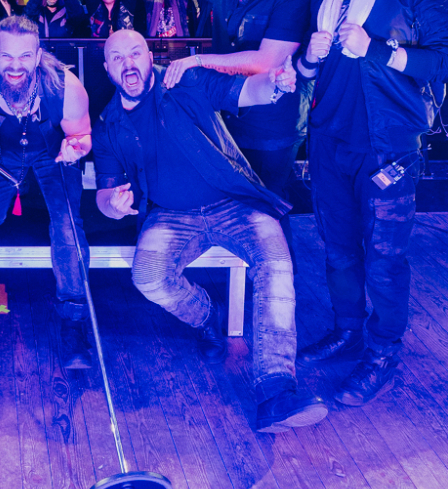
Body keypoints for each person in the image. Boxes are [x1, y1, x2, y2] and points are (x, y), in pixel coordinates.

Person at [93, 30, 323, 431]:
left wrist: (275, 83)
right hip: (170, 215)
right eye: (117, 58)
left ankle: (276, 390)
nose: (128, 63)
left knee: (275, 262)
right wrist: (112, 205)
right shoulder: (108, 124)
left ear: (149, 55)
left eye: (135, 53)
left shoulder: (184, 80)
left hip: (233, 202)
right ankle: (206, 315)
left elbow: (247, 91)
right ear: (107, 68)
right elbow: (104, 194)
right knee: (148, 276)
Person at [293, 0, 448, 408]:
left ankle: (383, 351)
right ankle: (347, 331)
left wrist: (379, 50)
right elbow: (311, 70)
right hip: (329, 140)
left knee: (385, 257)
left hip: (388, 146)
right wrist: (310, 56)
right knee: (338, 248)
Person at [117, 0, 315, 205]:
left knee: (267, 204)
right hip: (228, 115)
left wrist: (198, 61)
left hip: (273, 124)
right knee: (231, 202)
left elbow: (267, 62)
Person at [0, 15, 95, 370]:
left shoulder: (67, 87)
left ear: (38, 55)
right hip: (0, 157)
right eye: (7, 56)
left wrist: (76, 149)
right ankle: (21, 188)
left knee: (67, 226)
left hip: (52, 155)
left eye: (25, 57)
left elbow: (83, 136)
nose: (15, 67)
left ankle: (74, 320)